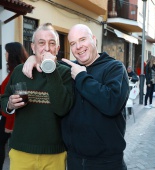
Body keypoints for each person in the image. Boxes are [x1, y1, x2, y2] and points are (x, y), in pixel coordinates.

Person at [22, 24, 129, 170]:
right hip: (74, 160)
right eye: (73, 43)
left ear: (93, 39)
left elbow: (111, 104)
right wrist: (33, 58)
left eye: (82, 39)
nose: (78, 46)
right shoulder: (67, 68)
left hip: (106, 163)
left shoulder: (114, 68)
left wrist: (81, 76)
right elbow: (47, 63)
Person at [1, 24, 73, 170]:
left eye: (52, 43)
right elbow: (4, 98)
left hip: (54, 153)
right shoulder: (19, 71)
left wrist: (51, 70)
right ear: (33, 47)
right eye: (41, 43)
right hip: (21, 151)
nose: (46, 48)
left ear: (57, 49)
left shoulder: (65, 73)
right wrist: (9, 105)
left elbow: (62, 108)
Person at [0, 42, 28, 170]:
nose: (5, 54)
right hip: (7, 113)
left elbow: (17, 97)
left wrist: (8, 125)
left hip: (11, 116)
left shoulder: (18, 71)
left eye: (6, 51)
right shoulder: (13, 70)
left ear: (12, 54)